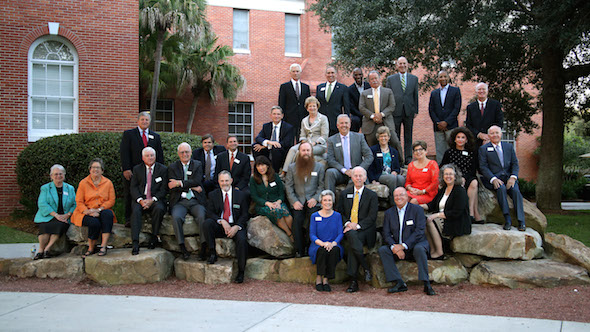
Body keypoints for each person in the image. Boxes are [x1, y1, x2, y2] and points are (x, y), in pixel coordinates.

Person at [378, 187, 435, 295]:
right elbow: (386, 233)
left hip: (415, 245)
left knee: (419, 249)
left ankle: (426, 283)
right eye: (396, 196)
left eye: (401, 195)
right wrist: (394, 247)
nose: (399, 197)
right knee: (383, 250)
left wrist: (403, 246)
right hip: (397, 247)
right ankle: (399, 282)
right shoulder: (389, 213)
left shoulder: (417, 210)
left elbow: (419, 231)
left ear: (407, 197)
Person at [202, 171, 249, 283]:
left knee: (242, 240)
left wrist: (237, 226)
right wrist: (221, 220)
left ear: (231, 181)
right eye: (222, 181)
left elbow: (245, 214)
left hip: (235, 225)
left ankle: (241, 272)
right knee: (207, 223)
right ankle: (213, 253)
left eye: (226, 180)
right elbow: (209, 212)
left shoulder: (241, 195)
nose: (224, 183)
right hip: (220, 224)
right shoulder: (213, 195)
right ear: (218, 182)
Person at [337, 167, 378, 293]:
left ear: (365, 178)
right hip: (349, 229)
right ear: (352, 177)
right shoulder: (344, 194)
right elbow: (340, 212)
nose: (358, 178)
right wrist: (348, 223)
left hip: (365, 230)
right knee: (352, 237)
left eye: (361, 176)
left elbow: (372, 217)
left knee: (352, 241)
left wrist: (356, 225)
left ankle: (353, 280)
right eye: (356, 176)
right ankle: (364, 267)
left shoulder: (372, 195)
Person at [120, 111, 164, 227]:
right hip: (134, 171)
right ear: (138, 121)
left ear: (150, 122)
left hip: (151, 171)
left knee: (151, 193)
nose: (144, 122)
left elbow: (159, 155)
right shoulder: (129, 134)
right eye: (142, 119)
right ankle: (129, 219)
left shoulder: (155, 136)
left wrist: (160, 171)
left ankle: (148, 217)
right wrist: (126, 168)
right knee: (130, 194)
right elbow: (124, 152)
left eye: (147, 120)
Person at [479, 125, 525, 231]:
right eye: (492, 133)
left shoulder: (508, 147)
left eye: (497, 133)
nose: (495, 135)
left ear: (501, 134)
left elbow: (515, 164)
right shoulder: (483, 149)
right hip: (494, 179)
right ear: (489, 135)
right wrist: (493, 179)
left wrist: (513, 177)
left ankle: (521, 221)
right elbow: (483, 167)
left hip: (509, 178)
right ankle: (507, 219)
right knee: (501, 189)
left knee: (516, 191)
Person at [420, 164, 472, 259]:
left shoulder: (460, 191)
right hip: (442, 217)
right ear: (442, 176)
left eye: (451, 174)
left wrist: (436, 215)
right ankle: (432, 250)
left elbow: (457, 212)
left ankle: (439, 252)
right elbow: (432, 205)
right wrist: (418, 206)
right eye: (446, 174)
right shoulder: (443, 189)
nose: (448, 176)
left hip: (456, 221)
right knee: (423, 220)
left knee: (430, 221)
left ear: (455, 176)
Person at [285, 142, 325, 257]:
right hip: (298, 201)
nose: (306, 153)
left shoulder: (319, 167)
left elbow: (321, 186)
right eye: (303, 150)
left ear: (311, 152)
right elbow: (289, 186)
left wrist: (315, 199)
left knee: (314, 219)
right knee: (297, 221)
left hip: (313, 201)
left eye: (308, 150)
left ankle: (309, 247)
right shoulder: (292, 167)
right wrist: (294, 201)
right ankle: (299, 249)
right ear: (299, 152)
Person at [168, 142, 206, 260]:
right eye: (182, 152)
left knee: (202, 216)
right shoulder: (172, 167)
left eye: (187, 152)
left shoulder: (198, 165)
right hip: (180, 201)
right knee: (176, 217)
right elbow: (170, 186)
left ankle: (204, 247)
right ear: (178, 154)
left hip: (195, 200)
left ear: (191, 153)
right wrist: (192, 185)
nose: (185, 154)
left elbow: (198, 180)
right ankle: (182, 247)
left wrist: (179, 182)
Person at [71, 158, 116, 258]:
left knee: (108, 215)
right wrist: (88, 212)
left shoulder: (108, 183)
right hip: (86, 211)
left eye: (98, 168)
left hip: (102, 209)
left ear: (102, 170)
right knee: (94, 222)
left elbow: (111, 200)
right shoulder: (83, 183)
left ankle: (103, 246)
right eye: (93, 167)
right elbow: (79, 201)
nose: (96, 170)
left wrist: (99, 210)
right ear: (89, 169)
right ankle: (91, 248)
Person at [130, 147, 168, 255]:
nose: (150, 157)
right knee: (136, 211)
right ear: (143, 158)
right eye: (147, 155)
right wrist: (141, 200)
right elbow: (133, 187)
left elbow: (164, 189)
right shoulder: (137, 169)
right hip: (141, 199)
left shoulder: (163, 169)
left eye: (152, 155)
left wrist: (152, 200)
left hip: (156, 199)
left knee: (159, 209)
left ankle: (154, 237)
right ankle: (135, 243)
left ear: (155, 156)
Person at [33, 164, 76, 259]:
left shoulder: (70, 188)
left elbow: (75, 204)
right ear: (51, 176)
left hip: (64, 217)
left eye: (60, 174)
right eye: (55, 174)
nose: (58, 176)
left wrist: (68, 214)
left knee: (59, 226)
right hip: (49, 215)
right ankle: (40, 250)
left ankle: (47, 249)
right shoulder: (45, 188)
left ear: (64, 175)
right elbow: (42, 203)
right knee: (44, 227)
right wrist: (56, 215)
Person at [441, 127, 483, 223]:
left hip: (468, 176)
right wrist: (457, 178)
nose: (460, 139)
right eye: (458, 137)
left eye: (463, 137)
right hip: (453, 178)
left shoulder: (471, 153)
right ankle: (475, 215)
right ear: (454, 139)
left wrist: (464, 178)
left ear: (466, 139)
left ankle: (471, 213)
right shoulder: (449, 152)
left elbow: (473, 169)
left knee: (474, 183)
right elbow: (443, 167)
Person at [359, 71, 403, 158]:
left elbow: (392, 106)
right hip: (370, 123)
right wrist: (373, 116)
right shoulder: (364, 93)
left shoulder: (388, 91)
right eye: (372, 79)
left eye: (376, 78)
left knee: (395, 142)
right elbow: (361, 107)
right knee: (371, 146)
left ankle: (400, 163)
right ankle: (372, 166)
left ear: (380, 79)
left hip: (385, 122)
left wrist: (381, 115)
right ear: (369, 81)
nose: (374, 80)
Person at [325, 114, 373, 193]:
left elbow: (369, 156)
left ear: (350, 124)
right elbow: (330, 159)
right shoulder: (331, 140)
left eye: (346, 123)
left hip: (356, 172)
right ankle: (329, 200)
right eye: (341, 123)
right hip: (341, 172)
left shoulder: (359, 137)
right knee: (330, 172)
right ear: (337, 125)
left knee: (356, 177)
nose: (344, 125)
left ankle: (345, 199)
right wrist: (344, 170)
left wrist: (358, 170)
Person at [249, 156, 294, 241]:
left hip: (277, 202)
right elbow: (254, 196)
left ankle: (295, 233)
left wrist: (278, 202)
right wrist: (267, 203)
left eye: (262, 165)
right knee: (277, 212)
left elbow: (281, 193)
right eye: (258, 166)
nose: (261, 168)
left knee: (285, 212)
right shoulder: (253, 179)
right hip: (262, 205)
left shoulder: (275, 176)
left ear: (267, 166)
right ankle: (290, 234)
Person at [386, 57, 419, 164]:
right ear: (397, 65)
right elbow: (388, 96)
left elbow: (415, 95)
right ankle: (398, 159)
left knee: (408, 136)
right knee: (395, 137)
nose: (402, 65)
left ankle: (408, 159)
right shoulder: (391, 79)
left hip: (409, 111)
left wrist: (416, 110)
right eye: (400, 63)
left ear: (407, 64)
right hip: (395, 111)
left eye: (404, 63)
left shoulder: (414, 79)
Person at [282, 96, 329, 171]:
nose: (312, 108)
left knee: (300, 152)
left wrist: (314, 143)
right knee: (292, 149)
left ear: (317, 107)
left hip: (319, 145)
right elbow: (302, 135)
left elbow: (325, 135)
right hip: (306, 143)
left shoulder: (323, 118)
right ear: (307, 108)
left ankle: (295, 171)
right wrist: (304, 143)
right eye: (310, 106)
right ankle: (285, 171)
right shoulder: (304, 120)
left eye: (314, 106)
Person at [309, 190, 344, 292]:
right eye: (325, 200)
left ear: (333, 201)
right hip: (317, 245)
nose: (327, 202)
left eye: (329, 200)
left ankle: (326, 279)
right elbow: (312, 234)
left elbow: (340, 233)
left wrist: (333, 243)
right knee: (322, 251)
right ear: (321, 202)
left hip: (334, 244)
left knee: (334, 251)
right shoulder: (314, 216)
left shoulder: (337, 216)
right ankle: (319, 278)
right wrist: (323, 243)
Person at [428, 70, 462, 163]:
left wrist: (446, 122)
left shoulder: (455, 91)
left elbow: (456, 108)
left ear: (448, 78)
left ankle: (452, 169)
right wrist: (437, 122)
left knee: (452, 148)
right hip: (438, 127)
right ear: (438, 79)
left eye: (445, 76)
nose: (443, 78)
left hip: (451, 126)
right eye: (441, 77)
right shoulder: (434, 93)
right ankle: (441, 170)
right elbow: (431, 110)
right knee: (440, 150)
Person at [367, 127, 405, 201]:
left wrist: (395, 171)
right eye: (381, 136)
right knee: (392, 178)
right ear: (378, 138)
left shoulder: (394, 151)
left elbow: (397, 167)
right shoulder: (373, 150)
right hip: (379, 175)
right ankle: (393, 201)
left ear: (389, 137)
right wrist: (373, 180)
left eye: (385, 136)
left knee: (401, 179)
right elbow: (370, 167)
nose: (383, 138)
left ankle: (402, 200)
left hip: (392, 175)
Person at [252, 106, 295, 172]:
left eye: (278, 114)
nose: (276, 116)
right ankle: (260, 168)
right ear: (271, 115)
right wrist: (269, 143)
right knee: (255, 146)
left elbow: (287, 143)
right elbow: (258, 138)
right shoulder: (266, 126)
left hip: (281, 151)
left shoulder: (288, 127)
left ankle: (275, 172)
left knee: (275, 148)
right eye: (274, 114)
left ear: (282, 116)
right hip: (267, 150)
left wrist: (266, 145)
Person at [278, 63, 311, 141]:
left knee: (302, 142)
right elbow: (281, 104)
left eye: (297, 71)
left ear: (300, 72)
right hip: (289, 120)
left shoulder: (306, 87)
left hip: (303, 120)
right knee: (289, 142)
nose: (295, 73)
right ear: (290, 73)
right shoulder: (284, 87)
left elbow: (308, 104)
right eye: (293, 71)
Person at [316, 66, 350, 136]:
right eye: (328, 73)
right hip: (321, 122)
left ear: (336, 74)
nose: (330, 75)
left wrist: (346, 121)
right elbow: (317, 105)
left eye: (332, 73)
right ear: (325, 74)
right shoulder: (319, 87)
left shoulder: (343, 88)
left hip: (336, 122)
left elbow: (346, 107)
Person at [347, 68, 370, 132]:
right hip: (356, 115)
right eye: (356, 75)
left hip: (368, 114)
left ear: (362, 75)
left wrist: (368, 114)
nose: (358, 77)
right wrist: (361, 115)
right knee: (354, 121)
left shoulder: (369, 86)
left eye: (359, 74)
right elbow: (351, 106)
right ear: (353, 76)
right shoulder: (350, 89)